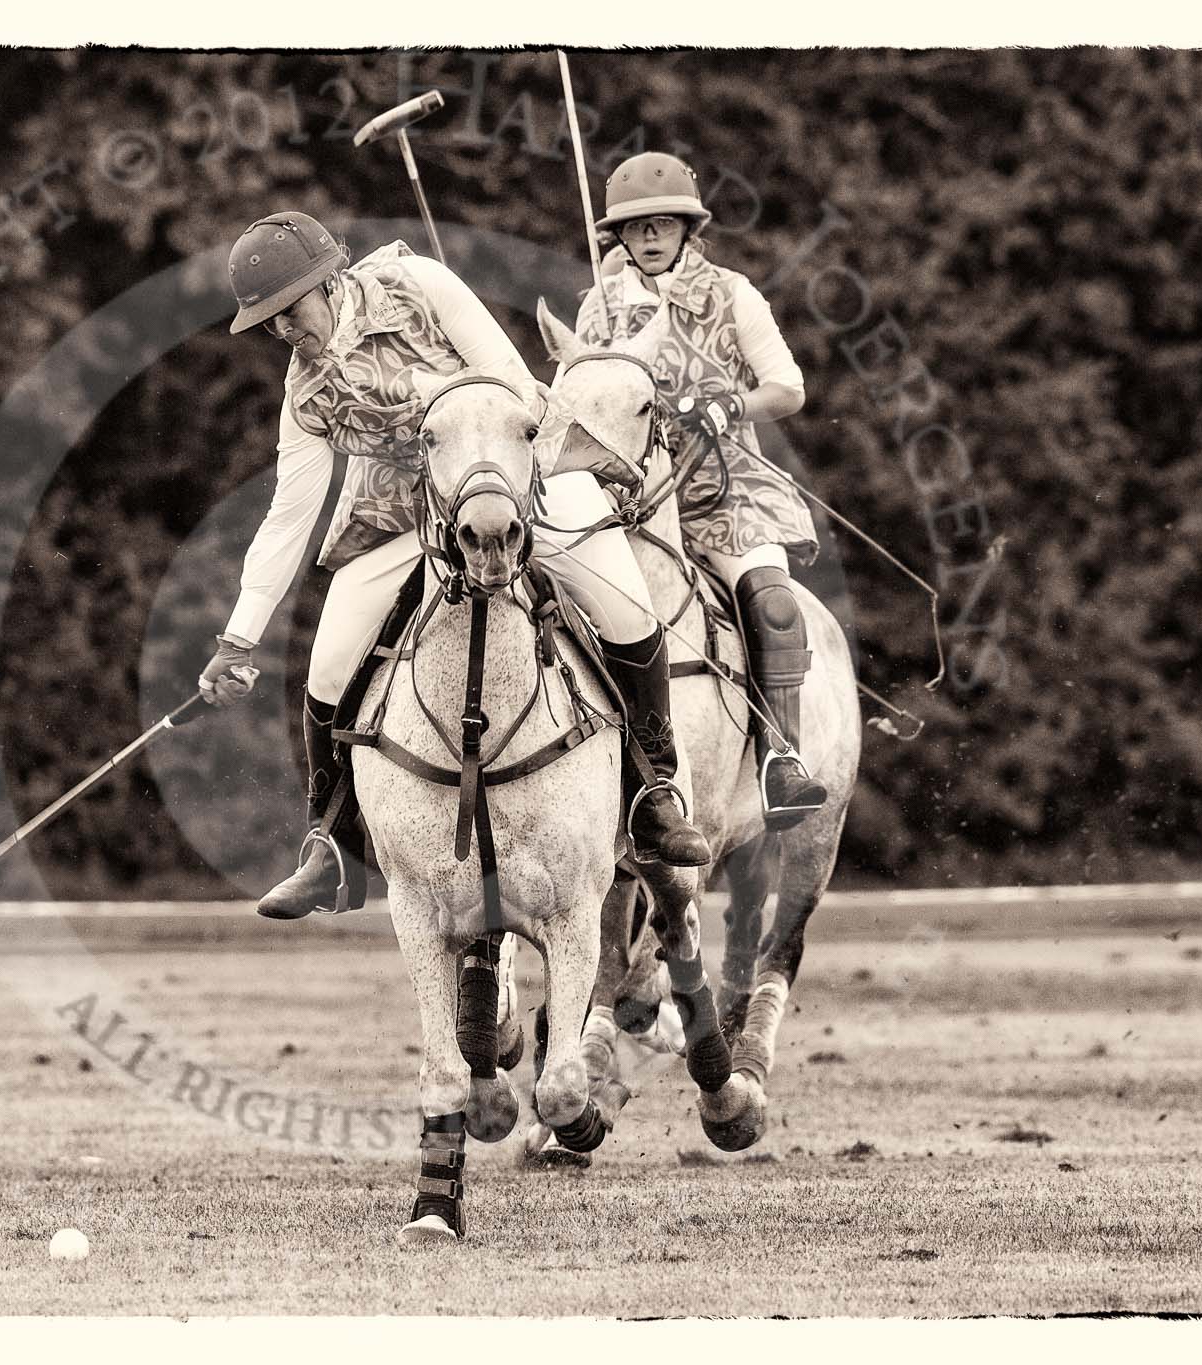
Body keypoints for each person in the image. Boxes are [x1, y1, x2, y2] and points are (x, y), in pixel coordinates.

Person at [199, 211, 712, 920]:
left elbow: (506, 373)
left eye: (289, 310)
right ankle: (332, 843)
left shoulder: (418, 282)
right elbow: (288, 516)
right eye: (268, 322)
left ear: (330, 280)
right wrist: (238, 637)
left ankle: (655, 791)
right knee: (329, 662)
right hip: (406, 513)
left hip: (513, 476)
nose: (283, 330)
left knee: (627, 605)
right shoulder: (307, 397)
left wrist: (493, 462)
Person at [574, 152, 829, 830]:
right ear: (619, 238)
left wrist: (731, 406)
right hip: (625, 505)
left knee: (772, 603)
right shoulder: (598, 310)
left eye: (662, 225)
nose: (650, 238)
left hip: (726, 491)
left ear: (689, 228)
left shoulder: (733, 293)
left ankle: (781, 756)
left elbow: (789, 386)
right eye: (635, 229)